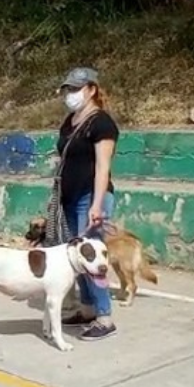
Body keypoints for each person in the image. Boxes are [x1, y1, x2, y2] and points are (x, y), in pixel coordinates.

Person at [47, 67, 120, 341]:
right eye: (68, 89)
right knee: (75, 257)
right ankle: (87, 310)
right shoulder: (71, 121)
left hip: (91, 197)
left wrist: (97, 204)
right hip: (69, 197)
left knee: (92, 257)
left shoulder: (102, 123)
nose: (71, 94)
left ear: (91, 90)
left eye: (77, 89)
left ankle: (104, 317)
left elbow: (103, 167)